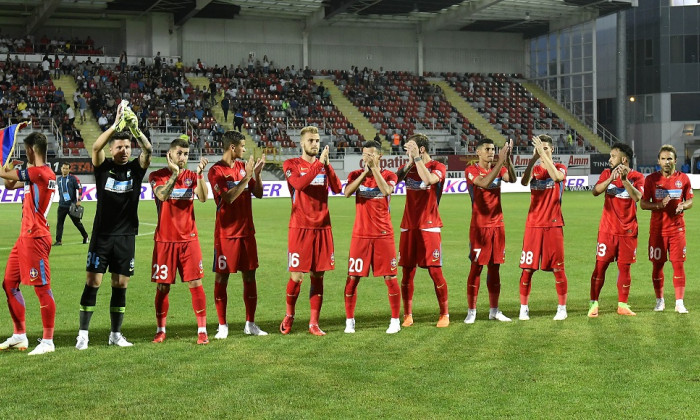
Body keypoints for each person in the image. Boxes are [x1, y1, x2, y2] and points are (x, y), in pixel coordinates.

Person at [75, 103, 152, 350]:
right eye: (120, 146)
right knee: (93, 282)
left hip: (126, 236)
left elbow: (148, 149)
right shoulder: (103, 167)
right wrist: (115, 127)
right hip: (103, 235)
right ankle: (83, 334)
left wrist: (135, 130)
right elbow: (95, 147)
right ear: (112, 149)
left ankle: (115, 334)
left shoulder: (135, 170)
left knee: (120, 285)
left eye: (128, 146)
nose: (125, 150)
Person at [280, 126, 342, 336]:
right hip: (300, 228)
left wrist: (327, 165)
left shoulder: (323, 165)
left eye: (317, 140)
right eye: (311, 141)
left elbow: (337, 188)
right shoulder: (291, 165)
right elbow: (299, 184)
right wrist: (318, 167)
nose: (315, 144)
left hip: (323, 228)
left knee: (318, 277)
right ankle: (289, 315)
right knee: (296, 277)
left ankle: (314, 323)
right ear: (301, 143)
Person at [0, 133, 57, 355]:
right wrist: (9, 167)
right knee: (9, 283)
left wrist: (4, 160)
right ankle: (19, 335)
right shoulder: (35, 175)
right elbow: (8, 185)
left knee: (42, 288)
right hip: (24, 237)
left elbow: (3, 173)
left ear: (32, 150)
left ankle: (48, 341)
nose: (25, 154)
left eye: (25, 150)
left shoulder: (39, 173)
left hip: (36, 237)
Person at [208, 131, 268, 338]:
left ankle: (250, 324)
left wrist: (257, 175)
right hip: (226, 235)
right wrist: (247, 177)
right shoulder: (216, 171)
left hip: (246, 233)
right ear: (232, 147)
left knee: (250, 277)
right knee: (222, 278)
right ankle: (222, 326)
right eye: (242, 146)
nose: (244, 149)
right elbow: (228, 198)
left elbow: (258, 193)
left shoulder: (243, 168)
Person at [149, 138, 209, 344]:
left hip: (189, 240)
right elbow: (163, 196)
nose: (183, 158)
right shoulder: (156, 176)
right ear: (170, 154)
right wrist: (174, 174)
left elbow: (203, 198)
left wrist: (200, 175)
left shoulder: (192, 176)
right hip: (165, 241)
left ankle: (202, 330)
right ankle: (160, 330)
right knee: (163, 287)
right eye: (179, 153)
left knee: (196, 283)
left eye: (186, 154)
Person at [343, 140, 401, 334]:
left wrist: (374, 170)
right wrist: (364, 174)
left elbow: (386, 191)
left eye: (371, 155)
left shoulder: (388, 175)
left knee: (390, 277)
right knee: (352, 278)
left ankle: (395, 320)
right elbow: (347, 193)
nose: (367, 158)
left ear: (379, 156)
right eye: (365, 154)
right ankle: (349, 321)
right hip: (361, 235)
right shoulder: (355, 175)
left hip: (384, 235)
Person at [395, 133, 450, 328]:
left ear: (421, 149)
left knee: (435, 272)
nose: (407, 151)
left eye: (410, 147)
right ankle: (407, 315)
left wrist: (416, 159)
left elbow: (428, 180)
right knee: (407, 272)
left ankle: (444, 314)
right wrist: (410, 162)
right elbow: (392, 182)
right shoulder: (408, 168)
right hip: (409, 225)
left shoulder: (438, 167)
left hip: (430, 226)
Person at [588, 143, 644, 317]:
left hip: (628, 232)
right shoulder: (606, 173)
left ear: (624, 159)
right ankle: (594, 303)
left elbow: (637, 197)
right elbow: (595, 191)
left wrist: (625, 180)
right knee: (600, 266)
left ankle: (622, 305)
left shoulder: (638, 177)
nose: (609, 159)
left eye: (613, 156)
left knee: (625, 268)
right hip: (607, 231)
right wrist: (611, 179)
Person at [464, 138, 516, 324]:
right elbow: (485, 183)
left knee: (495, 268)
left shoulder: (500, 168)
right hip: (479, 227)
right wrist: (501, 162)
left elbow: (513, 178)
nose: (491, 152)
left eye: (493, 149)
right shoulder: (471, 170)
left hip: (497, 226)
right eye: (487, 149)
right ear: (478, 152)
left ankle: (494, 310)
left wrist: (507, 160)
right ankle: (472, 311)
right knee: (476, 267)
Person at [518, 135, 569, 321]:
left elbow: (556, 177)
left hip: (554, 224)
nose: (542, 151)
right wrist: (533, 158)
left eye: (546, 148)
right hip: (533, 225)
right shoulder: (535, 169)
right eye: (540, 148)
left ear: (552, 150)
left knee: (558, 268)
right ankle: (523, 307)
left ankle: (562, 308)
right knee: (527, 269)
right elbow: (523, 182)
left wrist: (544, 155)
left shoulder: (561, 168)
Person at [640, 144, 693, 313]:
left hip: (677, 230)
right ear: (658, 161)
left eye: (669, 158)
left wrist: (683, 205)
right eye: (663, 159)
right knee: (657, 266)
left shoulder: (683, 179)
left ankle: (679, 302)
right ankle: (660, 301)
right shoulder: (651, 180)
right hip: (657, 231)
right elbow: (642, 203)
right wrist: (657, 205)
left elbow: (690, 200)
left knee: (678, 265)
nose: (666, 162)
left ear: (675, 160)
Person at [54, 162, 89, 246]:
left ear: (69, 169)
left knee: (77, 223)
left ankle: (85, 236)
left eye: (66, 168)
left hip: (71, 205)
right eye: (63, 168)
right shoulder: (58, 179)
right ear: (61, 169)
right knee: (60, 223)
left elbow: (80, 188)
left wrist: (79, 199)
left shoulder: (73, 178)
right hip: (62, 205)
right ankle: (59, 241)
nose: (64, 170)